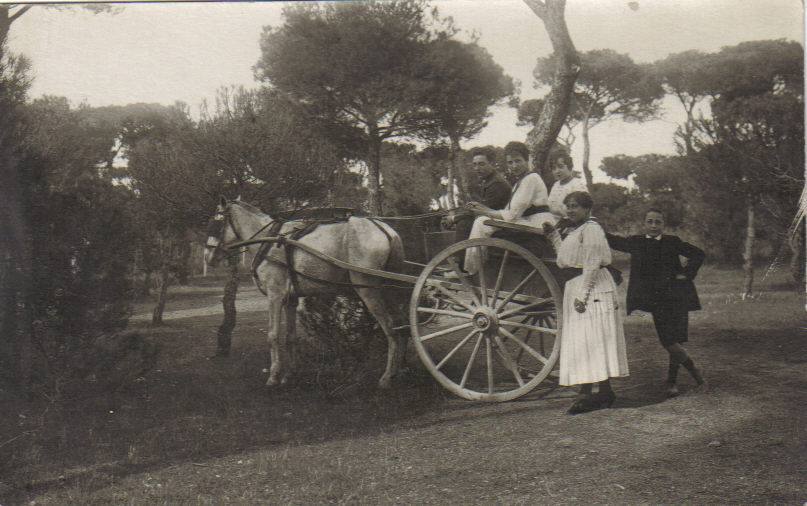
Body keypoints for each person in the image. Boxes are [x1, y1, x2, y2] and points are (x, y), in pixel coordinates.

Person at [543, 191, 629, 414]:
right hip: (577, 284)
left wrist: (583, 296)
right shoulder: (576, 230)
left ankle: (591, 392)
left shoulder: (591, 229)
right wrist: (554, 236)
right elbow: (565, 258)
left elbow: (591, 264)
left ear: (587, 209)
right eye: (568, 206)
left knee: (592, 338)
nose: (570, 210)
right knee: (585, 339)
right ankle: (602, 392)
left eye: (575, 206)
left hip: (590, 287)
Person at [604, 208, 706, 397]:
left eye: (657, 222)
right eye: (649, 221)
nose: (653, 226)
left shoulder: (672, 242)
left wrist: (686, 274)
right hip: (657, 301)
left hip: (677, 296)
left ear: (663, 225)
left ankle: (672, 381)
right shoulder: (636, 242)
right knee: (668, 340)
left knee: (674, 339)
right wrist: (595, 226)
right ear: (644, 223)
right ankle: (695, 372)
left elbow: (698, 254)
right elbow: (613, 241)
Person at [461, 141, 556, 275]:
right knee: (482, 221)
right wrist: (483, 209)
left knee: (481, 222)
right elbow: (508, 211)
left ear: (527, 160)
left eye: (518, 161)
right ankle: (476, 266)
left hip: (536, 226)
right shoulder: (520, 182)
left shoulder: (531, 179)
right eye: (510, 163)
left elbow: (512, 215)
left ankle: (473, 269)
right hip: (528, 223)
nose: (514, 166)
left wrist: (484, 211)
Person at [442, 146, 511, 248]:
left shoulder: (497, 183)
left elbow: (482, 210)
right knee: (464, 221)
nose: (477, 168)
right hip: (492, 220)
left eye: (481, 164)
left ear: (492, 164)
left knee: (465, 224)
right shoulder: (488, 180)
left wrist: (454, 218)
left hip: (501, 225)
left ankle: (460, 259)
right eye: (474, 165)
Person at [546, 150, 589, 222]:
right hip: (553, 222)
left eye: (560, 167)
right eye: (554, 168)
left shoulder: (578, 186)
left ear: (569, 167)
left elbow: (582, 213)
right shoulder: (556, 185)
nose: (557, 171)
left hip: (572, 225)